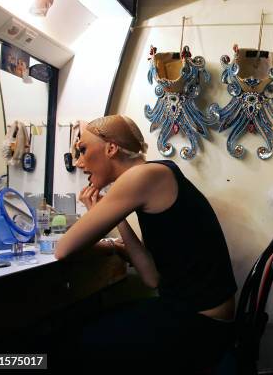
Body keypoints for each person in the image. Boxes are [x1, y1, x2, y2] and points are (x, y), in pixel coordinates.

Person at [54, 114, 237, 370]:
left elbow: (63, 249)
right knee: (88, 325)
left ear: (111, 148)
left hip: (201, 326)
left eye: (83, 149)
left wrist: (101, 212)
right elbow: (152, 279)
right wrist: (114, 216)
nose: (79, 162)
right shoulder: (155, 175)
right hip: (201, 316)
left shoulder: (144, 176)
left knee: (74, 342)